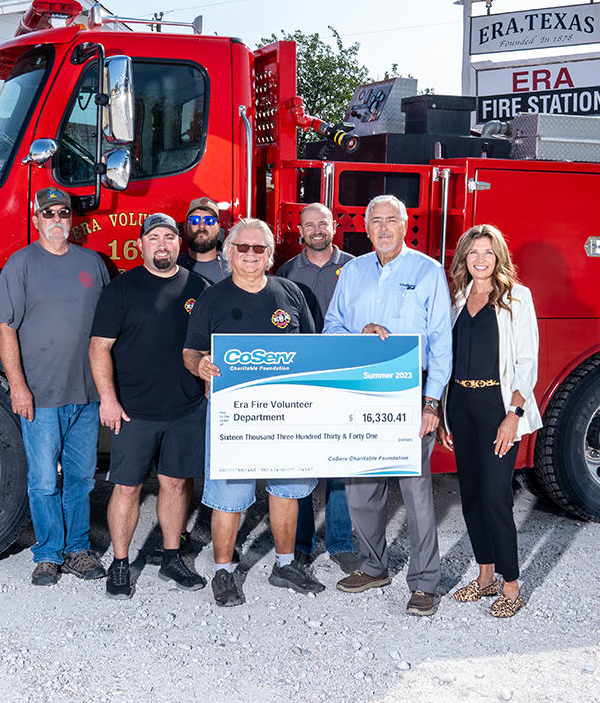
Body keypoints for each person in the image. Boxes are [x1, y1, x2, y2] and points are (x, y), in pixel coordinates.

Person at [323, 194, 452, 617]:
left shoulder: (428, 271)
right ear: (365, 226)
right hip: (360, 392)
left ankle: (425, 582)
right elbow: (331, 328)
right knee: (361, 487)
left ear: (404, 224)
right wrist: (360, 332)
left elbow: (441, 344)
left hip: (411, 396)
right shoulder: (353, 271)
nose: (382, 228)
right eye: (374, 220)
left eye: (390, 220)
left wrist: (431, 402)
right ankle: (373, 566)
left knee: (415, 492)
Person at [184, 218, 322, 608]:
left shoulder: (291, 294)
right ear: (229, 254)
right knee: (230, 494)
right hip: (234, 415)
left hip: (287, 413)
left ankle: (285, 564)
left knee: (287, 489)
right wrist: (201, 366)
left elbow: (312, 353)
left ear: (269, 255)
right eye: (241, 248)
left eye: (258, 248)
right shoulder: (212, 298)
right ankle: (224, 571)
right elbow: (190, 350)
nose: (249, 254)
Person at [89, 213, 210, 599]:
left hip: (186, 407)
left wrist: (209, 385)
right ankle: (121, 563)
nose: (162, 244)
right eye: (154, 237)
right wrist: (108, 398)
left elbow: (210, 346)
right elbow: (99, 348)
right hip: (134, 410)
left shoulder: (199, 287)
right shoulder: (121, 289)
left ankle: (172, 558)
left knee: (176, 484)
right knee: (127, 489)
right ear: (141, 244)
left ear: (179, 243)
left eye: (169, 237)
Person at [0, 187, 110, 587]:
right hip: (40, 395)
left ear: (71, 219)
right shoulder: (21, 264)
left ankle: (77, 549)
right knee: (44, 480)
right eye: (49, 214)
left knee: (81, 478)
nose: (57, 219)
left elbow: (109, 330)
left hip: (87, 394)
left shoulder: (93, 264)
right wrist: (18, 387)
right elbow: (5, 329)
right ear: (36, 220)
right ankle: (47, 554)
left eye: (63, 212)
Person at [438, 224, 542, 618]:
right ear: (464, 257)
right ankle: (484, 579)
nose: (480, 259)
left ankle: (511, 586)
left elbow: (526, 362)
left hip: (496, 406)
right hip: (461, 404)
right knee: (472, 494)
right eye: (473, 253)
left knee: (497, 498)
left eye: (488, 252)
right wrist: (445, 411)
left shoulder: (517, 297)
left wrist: (513, 416)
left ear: (499, 257)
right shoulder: (459, 297)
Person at [276, 203, 358, 574]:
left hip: (345, 375)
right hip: (303, 378)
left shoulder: (357, 267)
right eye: (309, 225)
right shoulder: (287, 271)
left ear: (334, 226)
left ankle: (341, 542)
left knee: (341, 465)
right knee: (304, 462)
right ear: (301, 231)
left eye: (322, 223)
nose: (316, 230)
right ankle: (303, 543)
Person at [177, 196, 230, 284]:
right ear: (186, 228)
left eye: (209, 220)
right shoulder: (173, 265)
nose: (202, 226)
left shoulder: (232, 267)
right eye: (194, 220)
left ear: (218, 229)